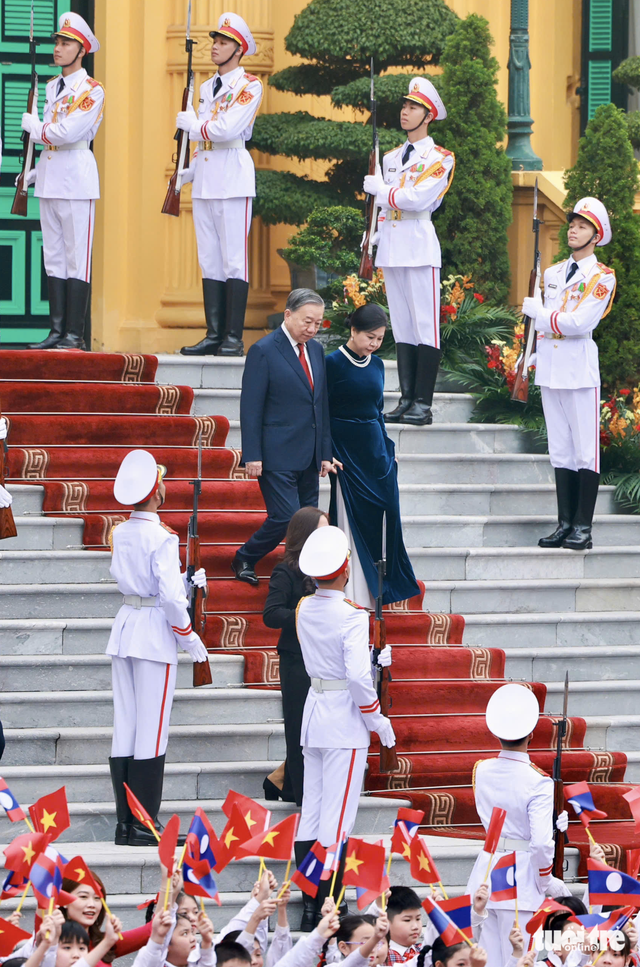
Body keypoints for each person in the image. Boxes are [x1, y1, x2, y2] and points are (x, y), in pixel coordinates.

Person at [294, 526, 396, 929]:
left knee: (313, 816)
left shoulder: (305, 607)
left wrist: (373, 661)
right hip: (343, 721)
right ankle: (328, 908)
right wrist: (378, 721)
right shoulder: (352, 615)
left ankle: (307, 903)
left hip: (315, 713)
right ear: (343, 569)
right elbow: (355, 678)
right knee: (337, 822)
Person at [106, 450, 209, 846]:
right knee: (152, 729)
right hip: (153, 632)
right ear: (155, 492)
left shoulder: (123, 531)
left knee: (126, 727)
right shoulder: (162, 536)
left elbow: (136, 580)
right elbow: (167, 598)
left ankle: (124, 823)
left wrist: (185, 583)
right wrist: (189, 635)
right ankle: (145, 823)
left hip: (127, 623)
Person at [523, 197, 616, 551]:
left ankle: (583, 527)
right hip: (550, 367)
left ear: (596, 236)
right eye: (572, 224)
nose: (573, 230)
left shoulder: (601, 277)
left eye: (582, 226)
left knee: (585, 452)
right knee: (560, 450)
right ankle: (564, 523)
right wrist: (532, 353)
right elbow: (544, 324)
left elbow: (580, 322)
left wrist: (542, 316)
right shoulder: (553, 273)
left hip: (578, 370)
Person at [362, 77, 455, 427]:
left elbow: (417, 198)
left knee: (424, 327)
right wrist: (373, 234)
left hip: (418, 245)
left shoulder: (439, 158)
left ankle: (424, 404)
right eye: (404, 106)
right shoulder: (390, 157)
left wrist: (382, 191)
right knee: (401, 327)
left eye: (413, 107)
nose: (405, 112)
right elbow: (385, 209)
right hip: (392, 245)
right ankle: (405, 399)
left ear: (428, 115)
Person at [233, 288, 338, 586]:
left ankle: (302, 576)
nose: (313, 329)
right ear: (288, 314)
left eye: (318, 323)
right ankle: (246, 555)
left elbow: (322, 405)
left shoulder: (316, 351)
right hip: (276, 453)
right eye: (307, 321)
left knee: (308, 521)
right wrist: (251, 453)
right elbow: (250, 407)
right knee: (286, 517)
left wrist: (325, 454)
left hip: (310, 454)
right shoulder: (264, 350)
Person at [177, 13, 263, 357]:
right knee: (209, 259)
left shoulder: (249, 85)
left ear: (239, 49)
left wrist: (194, 126)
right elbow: (204, 142)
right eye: (215, 41)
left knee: (233, 260)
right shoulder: (207, 85)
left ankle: (232, 336)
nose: (215, 46)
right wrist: (190, 170)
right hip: (208, 176)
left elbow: (226, 129)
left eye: (223, 42)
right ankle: (213, 333)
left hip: (232, 175)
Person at [466, 683, 570, 966]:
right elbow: (538, 842)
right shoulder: (537, 780)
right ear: (532, 735)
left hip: (487, 871)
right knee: (520, 959)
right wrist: (546, 880)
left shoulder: (482, 769)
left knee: (488, 960)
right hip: (521, 878)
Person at [325, 303, 420, 608]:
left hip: (376, 451)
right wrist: (326, 451)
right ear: (353, 330)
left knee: (390, 512)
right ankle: (353, 590)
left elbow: (377, 410)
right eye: (370, 337)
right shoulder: (333, 363)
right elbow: (321, 412)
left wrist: (388, 449)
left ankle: (385, 588)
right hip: (346, 452)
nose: (374, 344)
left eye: (379, 338)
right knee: (354, 517)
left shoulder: (377, 365)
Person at [22, 13, 104, 351]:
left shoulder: (92, 90)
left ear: (81, 50)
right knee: (53, 256)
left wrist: (34, 127)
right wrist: (33, 171)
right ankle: (56, 332)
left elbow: (66, 132)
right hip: (51, 175)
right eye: (57, 42)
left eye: (65, 43)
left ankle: (75, 333)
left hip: (76, 176)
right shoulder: (53, 85)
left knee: (76, 256)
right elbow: (52, 139)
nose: (57, 48)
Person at [262, 506, 330, 805]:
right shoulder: (286, 569)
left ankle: (282, 782)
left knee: (320, 727)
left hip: (324, 657)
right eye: (320, 530)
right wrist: (307, 614)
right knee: (299, 726)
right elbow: (271, 614)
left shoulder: (329, 569)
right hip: (296, 659)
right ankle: (303, 794)